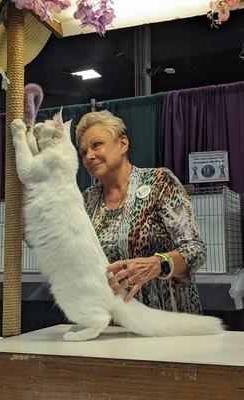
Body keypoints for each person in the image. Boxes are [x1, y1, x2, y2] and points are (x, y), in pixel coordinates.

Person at [76, 110, 206, 314]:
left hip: (168, 321)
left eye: (96, 145)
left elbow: (196, 249)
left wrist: (158, 264)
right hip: (114, 323)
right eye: (83, 152)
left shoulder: (159, 182)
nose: (89, 156)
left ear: (123, 144)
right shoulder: (87, 199)